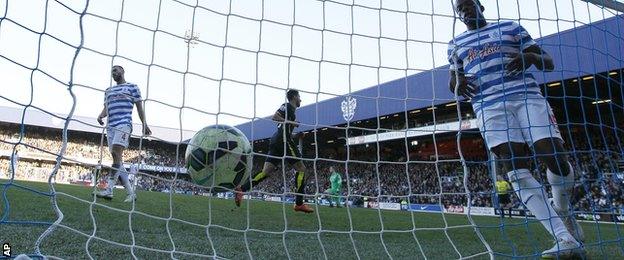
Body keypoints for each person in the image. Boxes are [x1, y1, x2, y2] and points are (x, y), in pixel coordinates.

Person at [447, 0, 584, 258]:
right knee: (515, 169)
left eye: (469, 5)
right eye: (460, 8)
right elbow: (453, 80)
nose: (465, 10)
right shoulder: (455, 45)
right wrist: (458, 83)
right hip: (488, 107)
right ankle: (564, 238)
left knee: (551, 154)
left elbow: (548, 61)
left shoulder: (510, 26)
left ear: (481, 6)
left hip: (526, 97)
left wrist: (529, 56)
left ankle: (563, 210)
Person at [235, 89, 314, 213]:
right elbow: (275, 117)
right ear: (294, 97)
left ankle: (241, 189)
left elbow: (285, 130)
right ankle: (299, 203)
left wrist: (296, 136)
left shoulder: (292, 112)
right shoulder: (287, 106)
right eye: (299, 96)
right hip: (283, 141)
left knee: (266, 171)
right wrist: (292, 122)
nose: (300, 99)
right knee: (301, 168)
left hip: (277, 141)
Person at [95, 65, 151, 202]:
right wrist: (100, 116)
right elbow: (106, 107)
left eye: (116, 70)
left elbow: (139, 107)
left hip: (124, 124)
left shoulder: (132, 87)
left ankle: (109, 190)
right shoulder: (108, 91)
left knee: (115, 153)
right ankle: (131, 193)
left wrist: (144, 124)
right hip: (110, 127)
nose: (113, 73)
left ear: (123, 71)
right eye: (112, 71)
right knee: (117, 159)